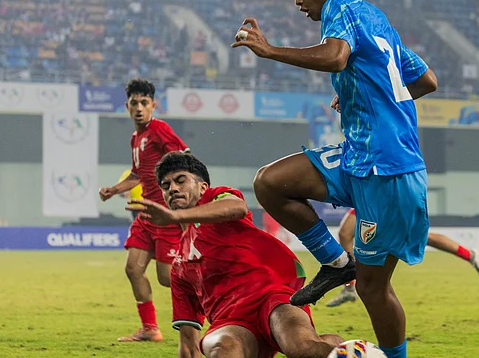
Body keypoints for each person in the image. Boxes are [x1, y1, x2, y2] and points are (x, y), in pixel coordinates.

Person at [232, 0, 439, 357]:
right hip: (358, 156)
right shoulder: (376, 17)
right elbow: (425, 79)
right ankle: (334, 261)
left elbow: (336, 56)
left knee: (373, 288)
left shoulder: (339, 8)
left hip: (389, 169)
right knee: (270, 182)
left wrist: (270, 51)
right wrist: (360, 92)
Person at [126, 152, 343, 358]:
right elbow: (188, 342)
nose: (172, 188)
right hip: (231, 323)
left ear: (203, 187)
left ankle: (343, 349)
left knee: (301, 348)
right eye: (166, 186)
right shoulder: (179, 267)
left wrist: (177, 216)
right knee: (222, 348)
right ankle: (332, 344)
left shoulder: (217, 198)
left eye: (180, 180)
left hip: (272, 298)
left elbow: (237, 206)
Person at [98, 79, 190, 342]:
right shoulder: (136, 137)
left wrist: (181, 197)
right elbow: (137, 174)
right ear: (127, 106)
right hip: (145, 215)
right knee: (133, 269)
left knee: (166, 278)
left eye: (144, 103)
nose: (139, 108)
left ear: (153, 105)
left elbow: (185, 158)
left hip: (165, 216)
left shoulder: (159, 129)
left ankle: (213, 298)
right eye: (134, 103)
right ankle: (150, 328)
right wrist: (113, 190)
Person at [326, 209, 479, 307]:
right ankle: (351, 285)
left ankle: (470, 255)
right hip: (370, 190)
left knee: (420, 237)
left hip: (387, 191)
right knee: (345, 233)